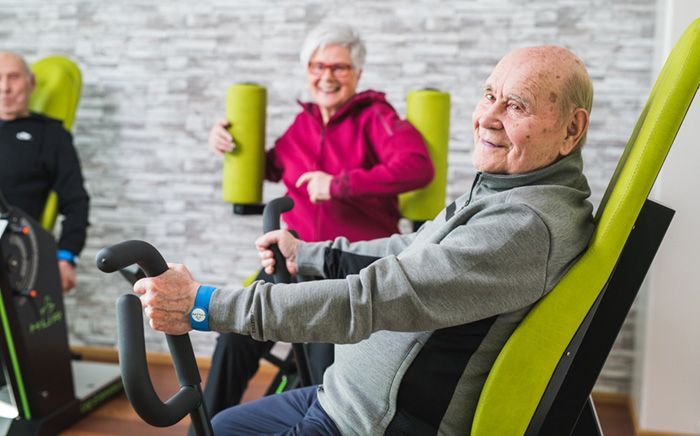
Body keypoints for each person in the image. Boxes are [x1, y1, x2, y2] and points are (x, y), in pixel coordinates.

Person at [137, 45, 595, 435]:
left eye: (516, 106)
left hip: (367, 420)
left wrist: (202, 305)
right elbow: (408, 249)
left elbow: (375, 291)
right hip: (341, 387)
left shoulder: (520, 221)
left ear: (572, 129)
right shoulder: (502, 189)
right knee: (222, 417)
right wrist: (305, 249)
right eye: (489, 96)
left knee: (246, 329)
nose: (487, 118)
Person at [204, 22, 434, 415]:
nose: (327, 77)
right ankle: (203, 429)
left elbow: (417, 167)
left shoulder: (375, 117)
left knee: (321, 366)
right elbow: (272, 166)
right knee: (233, 339)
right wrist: (226, 142)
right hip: (291, 262)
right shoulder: (303, 124)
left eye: (339, 68)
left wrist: (339, 185)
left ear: (357, 74)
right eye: (317, 66)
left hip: (349, 269)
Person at [0, 51, 89, 293]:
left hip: (14, 255)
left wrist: (66, 257)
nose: (5, 87)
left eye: (14, 77)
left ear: (32, 83)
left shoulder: (51, 135)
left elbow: (76, 202)